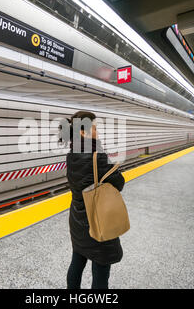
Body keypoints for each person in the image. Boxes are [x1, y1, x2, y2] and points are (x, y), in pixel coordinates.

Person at [61, 111, 125, 289]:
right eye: (94, 128)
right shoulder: (96, 156)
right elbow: (119, 182)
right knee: (101, 271)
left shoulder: (71, 154)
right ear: (83, 132)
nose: (97, 132)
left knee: (77, 262)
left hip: (77, 218)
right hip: (97, 222)